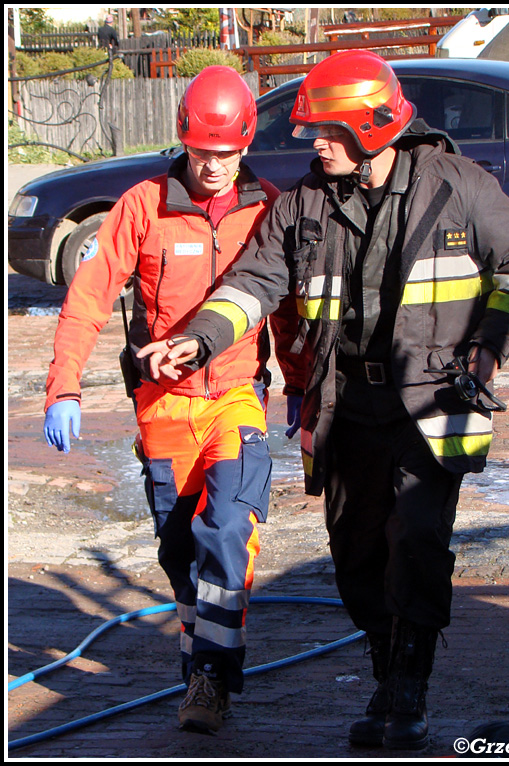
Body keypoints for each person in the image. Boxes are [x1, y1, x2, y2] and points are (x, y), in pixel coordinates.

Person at [136, 51, 509, 750]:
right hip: (346, 406)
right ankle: (386, 666)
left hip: (433, 400)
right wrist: (198, 341)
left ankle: (405, 690)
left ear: (369, 126)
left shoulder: (457, 186)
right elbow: (251, 284)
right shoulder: (302, 207)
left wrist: (487, 350)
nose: (313, 143)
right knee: (356, 559)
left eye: (325, 131)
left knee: (415, 541)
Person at [43, 66, 280, 734]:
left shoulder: (268, 207)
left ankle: (210, 679)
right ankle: (198, 659)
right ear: (184, 140)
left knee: (228, 530)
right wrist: (65, 385)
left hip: (236, 398)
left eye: (226, 156)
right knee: (181, 556)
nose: (213, 168)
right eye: (202, 155)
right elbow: (87, 298)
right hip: (164, 408)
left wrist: (310, 396)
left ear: (245, 145)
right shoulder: (142, 205)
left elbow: (289, 314)